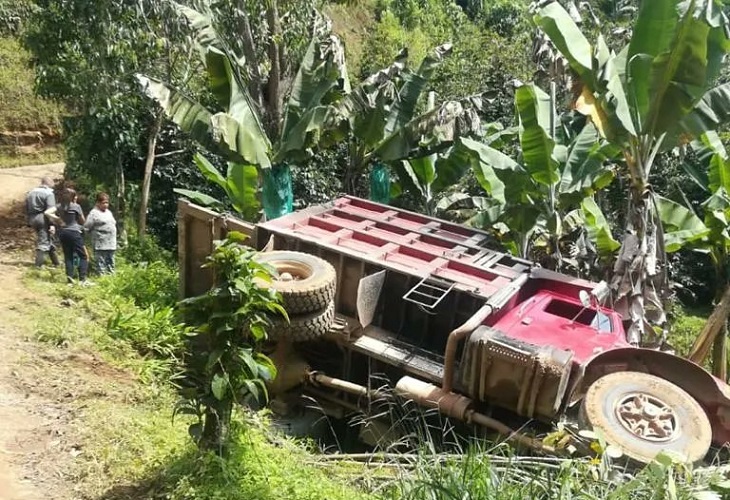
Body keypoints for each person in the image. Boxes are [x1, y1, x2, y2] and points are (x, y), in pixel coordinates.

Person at [45, 188, 90, 284]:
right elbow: (83, 221)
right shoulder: (76, 206)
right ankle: (82, 279)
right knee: (83, 256)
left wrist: (58, 219)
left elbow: (47, 212)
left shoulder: (59, 206)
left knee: (68, 256)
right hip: (74, 232)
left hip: (63, 233)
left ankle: (70, 280)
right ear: (73, 197)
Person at [25, 177, 59, 267]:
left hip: (32, 218)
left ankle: (56, 262)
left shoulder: (31, 192)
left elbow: (26, 208)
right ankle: (38, 265)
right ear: (49, 183)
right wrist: (52, 224)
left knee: (48, 239)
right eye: (53, 182)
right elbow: (50, 210)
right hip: (43, 218)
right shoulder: (49, 193)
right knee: (43, 242)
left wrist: (28, 220)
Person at [84, 192, 117, 274]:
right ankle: (102, 276)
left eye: (107, 203)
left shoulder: (109, 212)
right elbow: (87, 226)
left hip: (111, 242)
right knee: (101, 260)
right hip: (100, 242)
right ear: (98, 203)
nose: (106, 205)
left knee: (111, 260)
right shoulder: (94, 213)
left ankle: (111, 275)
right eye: (103, 203)